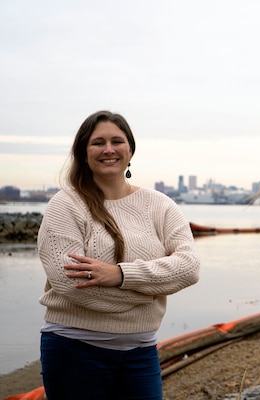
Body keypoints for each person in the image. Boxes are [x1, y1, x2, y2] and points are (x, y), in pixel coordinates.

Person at [37, 110, 201, 400]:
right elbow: (68, 284)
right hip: (75, 349)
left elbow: (189, 267)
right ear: (83, 153)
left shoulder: (159, 205)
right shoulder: (66, 205)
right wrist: (148, 293)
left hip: (142, 352)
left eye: (117, 141)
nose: (109, 149)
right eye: (98, 142)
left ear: (130, 150)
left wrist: (121, 275)